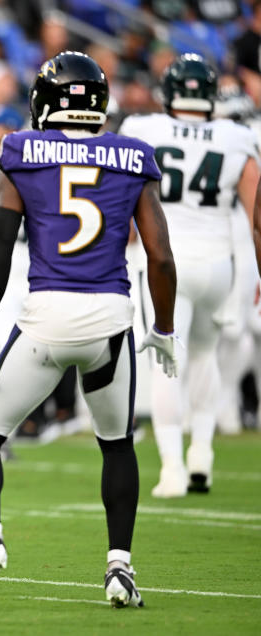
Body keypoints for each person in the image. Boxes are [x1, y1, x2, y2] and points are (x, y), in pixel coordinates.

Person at [0, 51, 176, 608]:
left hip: (46, 316)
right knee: (117, 445)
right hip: (111, 321)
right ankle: (120, 566)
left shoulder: (22, 151)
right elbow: (161, 258)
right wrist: (162, 328)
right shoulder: (134, 155)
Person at [120, 54, 259, 497]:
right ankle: (202, 452)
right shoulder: (237, 136)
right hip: (218, 263)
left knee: (165, 363)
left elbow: (121, 202)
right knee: (204, 356)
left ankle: (173, 469)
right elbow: (256, 214)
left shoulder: (142, 129)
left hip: (163, 260)